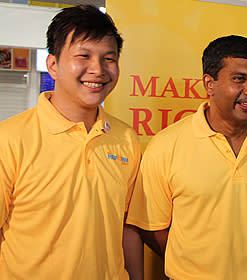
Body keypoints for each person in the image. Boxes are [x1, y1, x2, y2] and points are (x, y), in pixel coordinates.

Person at [0, 5, 141, 279]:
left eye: (109, 59)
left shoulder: (126, 138)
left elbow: (127, 227)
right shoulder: (10, 138)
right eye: (84, 56)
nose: (97, 70)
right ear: (53, 65)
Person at [125, 35, 247, 279]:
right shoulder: (166, 145)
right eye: (240, 79)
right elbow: (152, 228)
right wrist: (193, 266)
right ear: (209, 84)